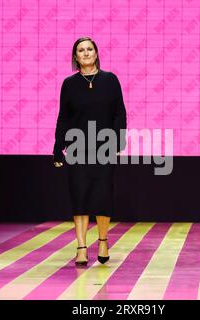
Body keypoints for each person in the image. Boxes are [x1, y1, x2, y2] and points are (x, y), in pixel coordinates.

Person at [53, 37, 127, 266]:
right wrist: (58, 146)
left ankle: (103, 241)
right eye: (81, 50)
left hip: (104, 147)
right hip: (77, 148)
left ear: (96, 53)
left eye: (89, 49)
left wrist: (117, 141)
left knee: (103, 197)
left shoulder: (110, 80)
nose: (85, 53)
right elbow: (63, 117)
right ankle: (82, 247)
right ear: (75, 57)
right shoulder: (69, 84)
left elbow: (119, 113)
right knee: (80, 197)